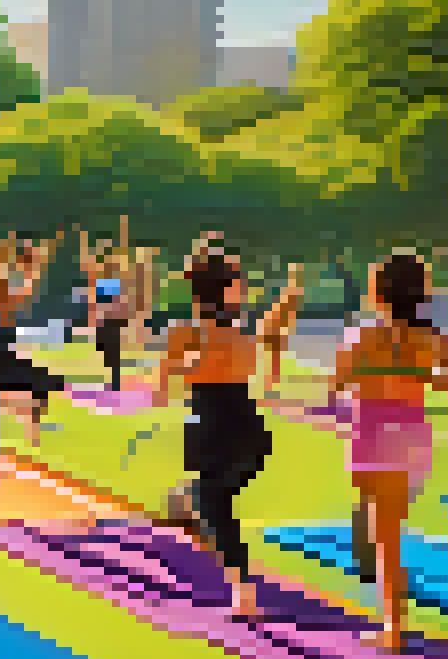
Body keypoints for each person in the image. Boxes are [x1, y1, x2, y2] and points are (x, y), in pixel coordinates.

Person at [326, 253, 448, 654]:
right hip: (411, 432)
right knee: (387, 532)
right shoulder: (436, 338)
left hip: (373, 431)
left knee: (384, 536)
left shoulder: (361, 335)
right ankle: (392, 621)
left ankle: (393, 627)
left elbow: (337, 383)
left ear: (377, 291)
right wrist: (416, 372)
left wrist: (378, 371)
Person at [152, 249, 275, 619]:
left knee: (215, 507)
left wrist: (184, 365)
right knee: (217, 503)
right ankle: (191, 504)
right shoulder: (241, 334)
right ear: (229, 291)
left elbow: (164, 386)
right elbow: (245, 370)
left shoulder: (186, 331)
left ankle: (243, 593)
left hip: (212, 425)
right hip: (251, 428)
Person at [0, 234, 64, 487]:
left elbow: (22, 293)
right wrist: (33, 265)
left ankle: (34, 407)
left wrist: (34, 264)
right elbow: (16, 294)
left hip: (0, 357)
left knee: (49, 381)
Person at [78, 219, 134, 389]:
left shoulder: (116, 273)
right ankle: (112, 372)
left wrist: (123, 228)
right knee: (102, 347)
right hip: (102, 318)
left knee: (113, 350)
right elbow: (84, 260)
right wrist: (83, 236)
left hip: (113, 318)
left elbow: (123, 252)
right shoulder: (96, 274)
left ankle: (115, 379)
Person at [255, 262, 306, 401]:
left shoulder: (288, 298)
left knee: (272, 357)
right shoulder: (288, 297)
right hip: (272, 330)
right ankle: (270, 385)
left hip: (274, 330)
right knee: (272, 356)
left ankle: (271, 385)